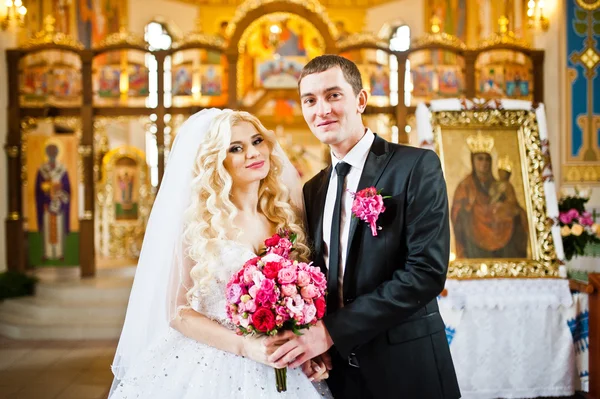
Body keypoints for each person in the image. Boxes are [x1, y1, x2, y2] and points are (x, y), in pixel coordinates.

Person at [266, 54, 461, 398]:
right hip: (339, 374)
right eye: (309, 100)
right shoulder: (312, 189)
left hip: (406, 368)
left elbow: (426, 273)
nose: (321, 109)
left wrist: (331, 331)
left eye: (333, 95)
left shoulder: (415, 166)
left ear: (360, 100)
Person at [109, 109, 333, 398]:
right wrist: (245, 345)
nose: (253, 153)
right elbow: (178, 312)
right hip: (212, 363)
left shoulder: (285, 216)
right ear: (217, 160)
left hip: (279, 364)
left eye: (257, 141)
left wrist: (303, 349)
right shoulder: (201, 224)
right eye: (236, 148)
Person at [451, 134, 528, 259]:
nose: (484, 163)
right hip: (474, 238)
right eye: (480, 159)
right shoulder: (465, 186)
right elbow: (457, 213)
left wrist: (509, 210)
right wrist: (470, 209)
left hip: (501, 232)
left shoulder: (500, 185)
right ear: (472, 161)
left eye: (487, 159)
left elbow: (514, 207)